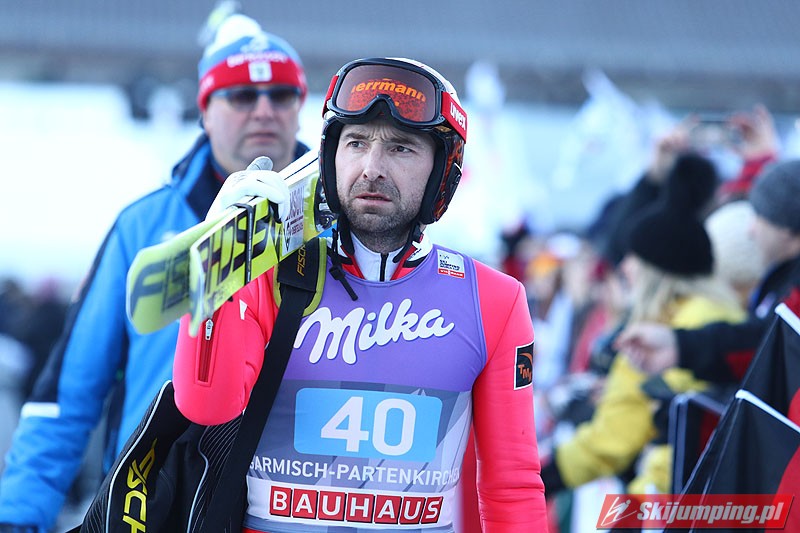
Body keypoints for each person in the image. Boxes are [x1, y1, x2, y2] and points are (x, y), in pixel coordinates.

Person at [173, 57, 548, 532]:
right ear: (331, 156)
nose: (372, 168)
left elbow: (512, 486)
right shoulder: (271, 277)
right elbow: (206, 406)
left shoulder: (494, 301)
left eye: (401, 148)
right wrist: (219, 264)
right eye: (356, 143)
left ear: (443, 171)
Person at [0, 13, 309, 532]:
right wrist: (18, 517)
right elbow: (68, 394)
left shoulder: (336, 221)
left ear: (300, 108)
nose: (263, 110)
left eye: (280, 95)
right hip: (148, 498)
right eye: (240, 96)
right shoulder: (142, 227)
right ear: (204, 111)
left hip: (279, 500)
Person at [540, 153, 746, 497]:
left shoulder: (672, 330)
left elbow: (629, 439)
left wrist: (546, 476)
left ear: (658, 269)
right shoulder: (709, 318)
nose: (624, 268)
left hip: (679, 500)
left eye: (633, 257)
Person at [616, 159, 800, 384]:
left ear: (787, 227)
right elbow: (763, 341)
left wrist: (679, 348)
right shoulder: (783, 281)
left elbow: (769, 347)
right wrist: (678, 345)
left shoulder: (702, 312)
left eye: (760, 217)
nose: (751, 230)